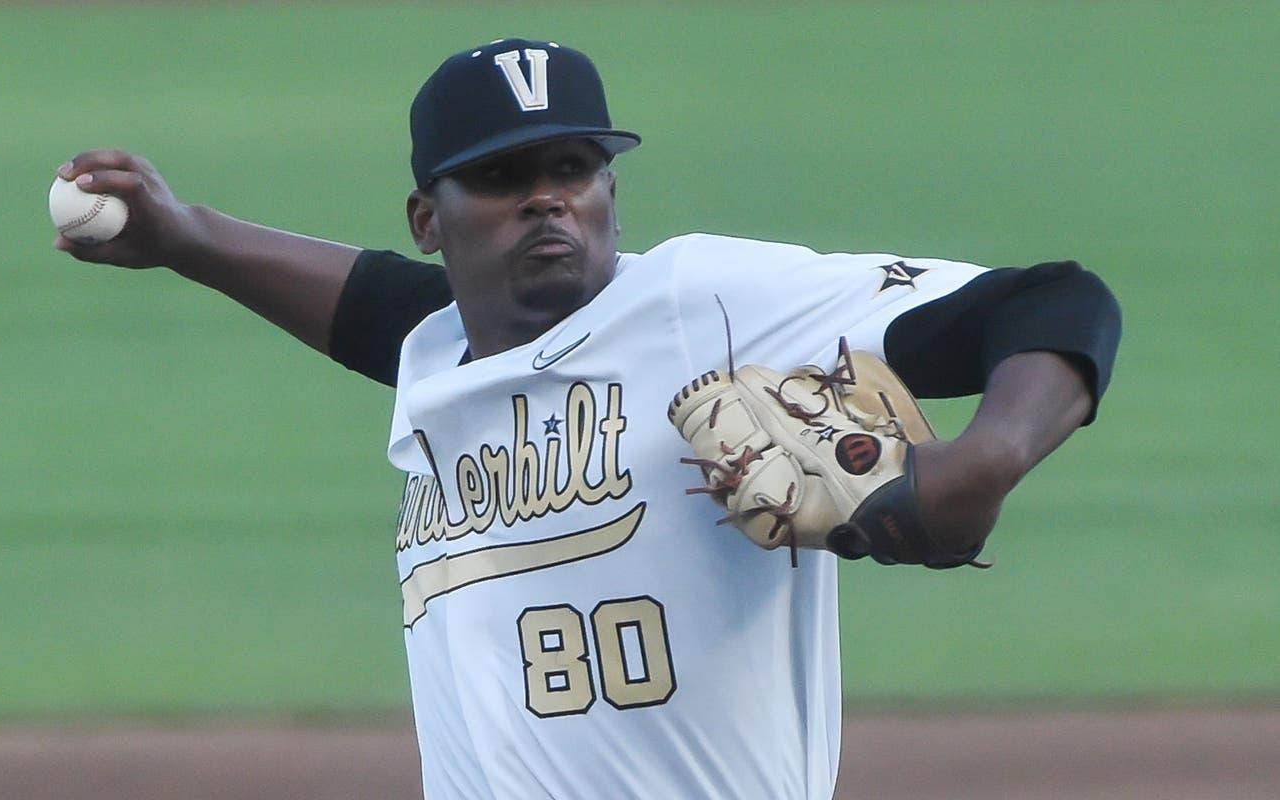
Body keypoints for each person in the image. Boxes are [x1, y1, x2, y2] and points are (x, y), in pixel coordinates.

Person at [54, 38, 1121, 800]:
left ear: (610, 189)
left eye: (573, 168)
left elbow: (1054, 300)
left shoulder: (701, 302)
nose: (548, 198)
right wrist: (187, 237)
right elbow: (374, 302)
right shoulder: (440, 348)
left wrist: (984, 458)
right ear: (432, 219)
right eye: (504, 178)